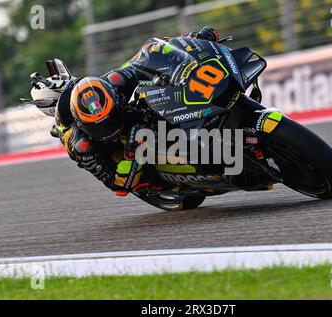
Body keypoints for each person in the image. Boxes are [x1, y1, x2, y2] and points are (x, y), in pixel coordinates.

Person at [52, 26, 220, 196]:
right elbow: (115, 185)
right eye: (100, 127)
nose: (109, 128)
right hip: (117, 151)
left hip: (132, 115)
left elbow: (152, 52)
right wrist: (132, 156)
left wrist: (193, 39)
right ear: (83, 125)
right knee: (135, 182)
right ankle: (168, 183)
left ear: (115, 99)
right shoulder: (81, 145)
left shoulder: (118, 81)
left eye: (111, 119)